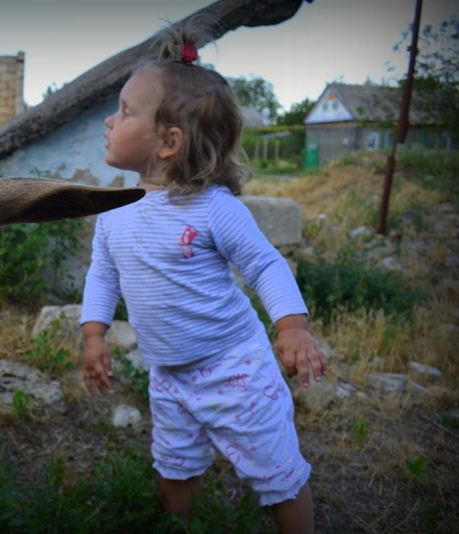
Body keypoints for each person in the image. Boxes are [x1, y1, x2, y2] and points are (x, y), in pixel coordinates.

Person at [80, 32, 326, 534]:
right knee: (175, 463)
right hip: (168, 373)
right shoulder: (113, 213)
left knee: (277, 471)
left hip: (234, 366)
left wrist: (292, 326)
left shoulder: (215, 208)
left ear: (169, 142)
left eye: (125, 112)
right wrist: (94, 335)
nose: (110, 121)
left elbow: (264, 264)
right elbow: (103, 275)